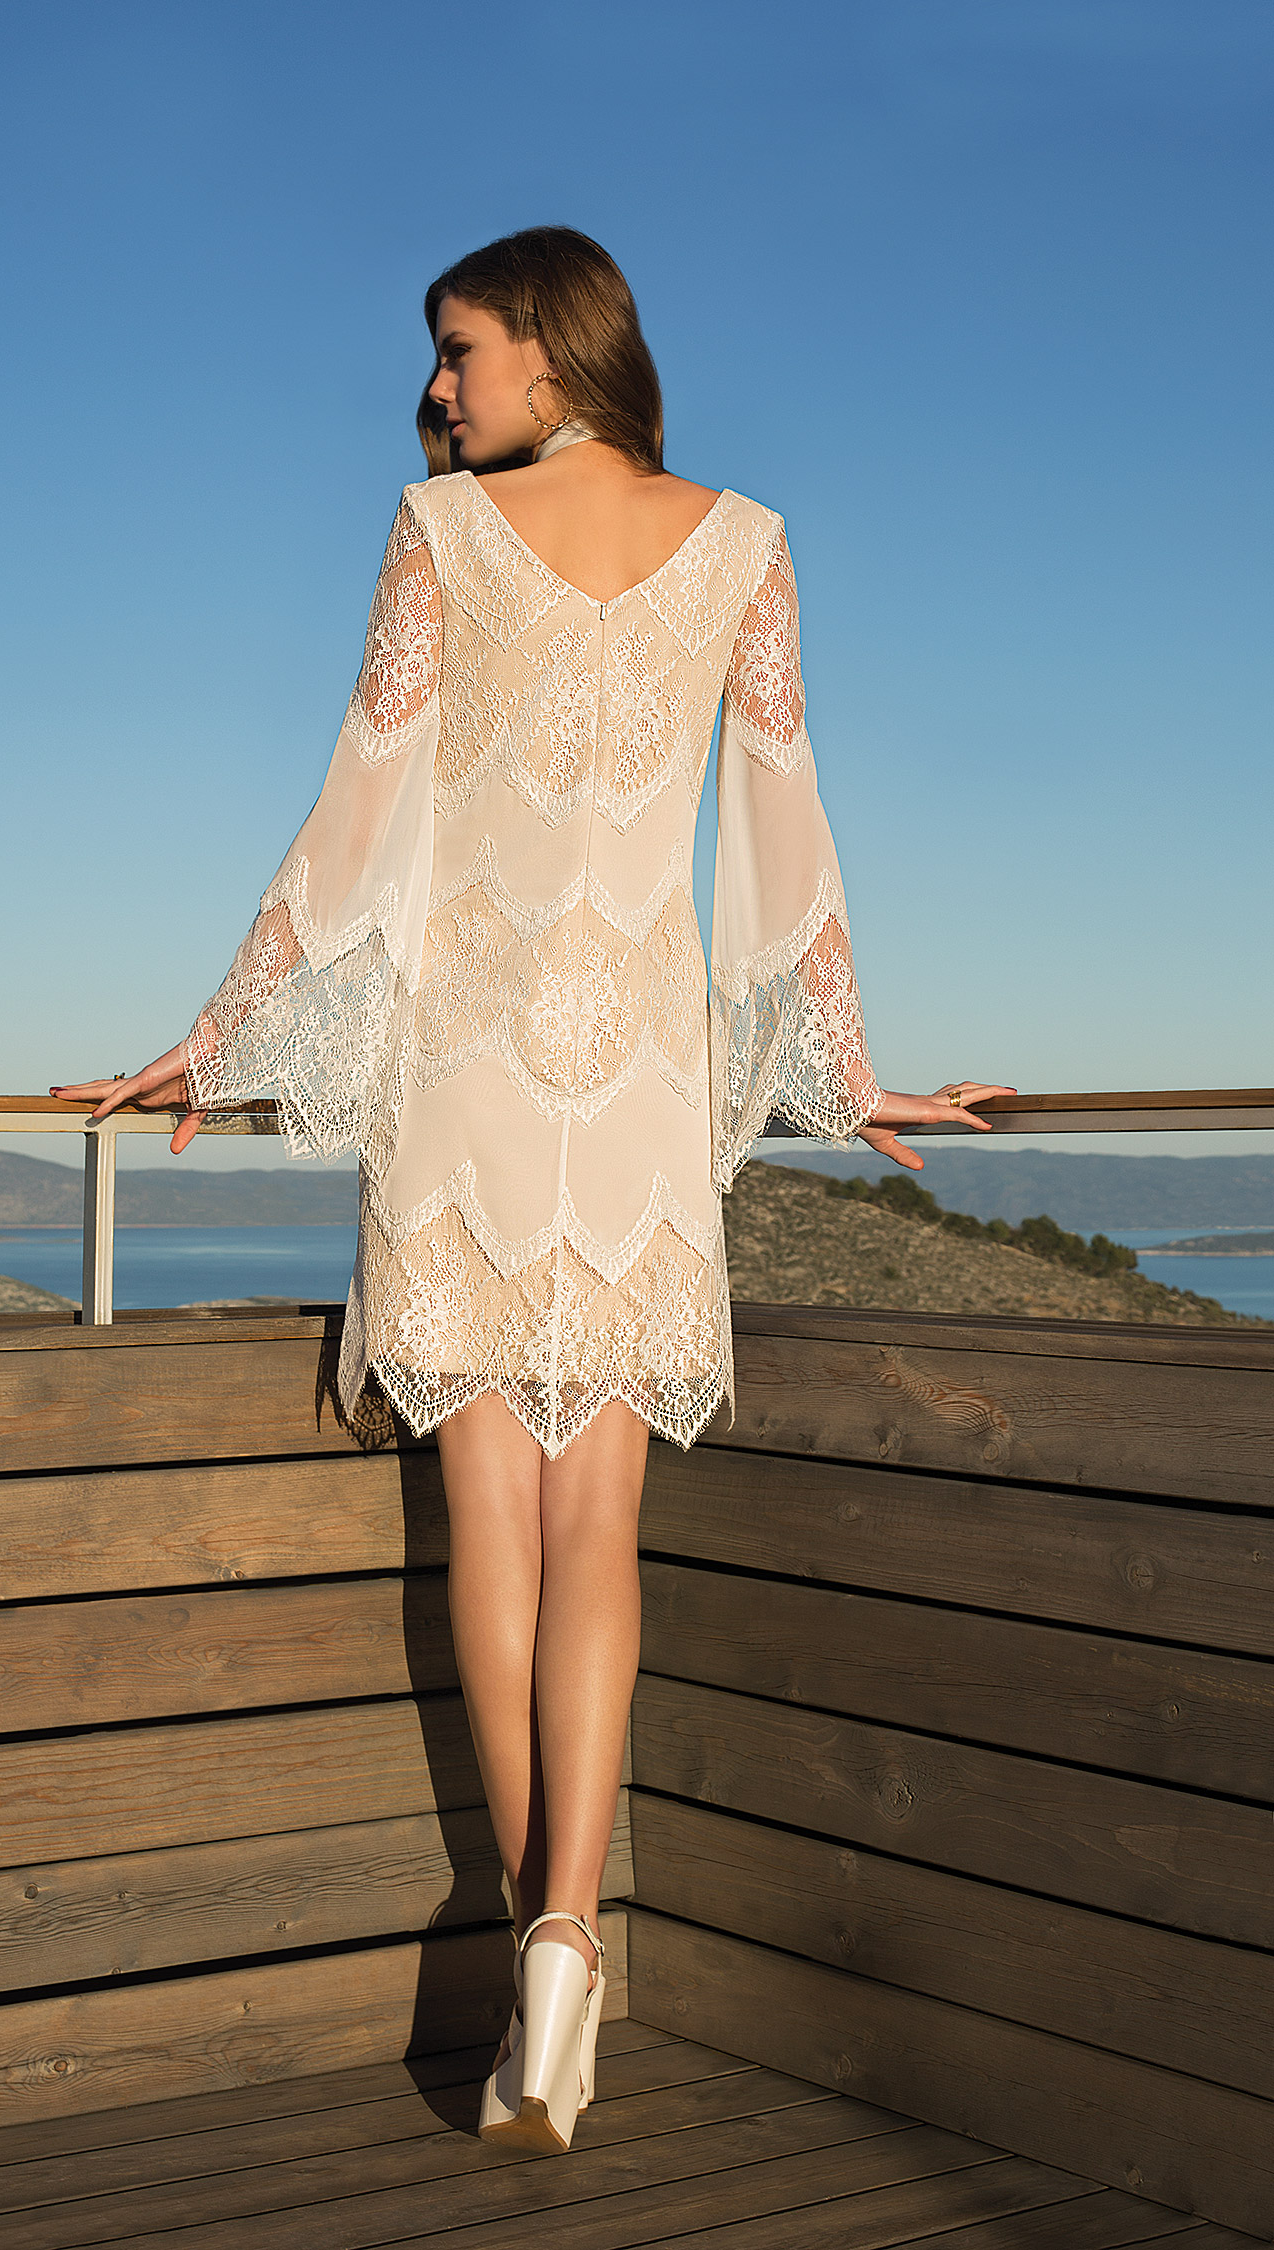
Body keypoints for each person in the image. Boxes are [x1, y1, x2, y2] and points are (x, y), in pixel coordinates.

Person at [53, 225, 1012, 2156]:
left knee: (493, 1521)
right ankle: (571, 1927)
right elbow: (785, 817)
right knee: (603, 1529)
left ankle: (535, 1947)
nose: (435, 388)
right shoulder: (748, 543)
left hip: (472, 1072)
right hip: (636, 1077)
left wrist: (219, 1034)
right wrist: (840, 1064)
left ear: (555, 358)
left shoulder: (440, 537)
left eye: (460, 350)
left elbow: (363, 799)